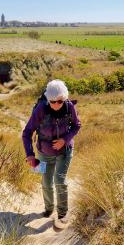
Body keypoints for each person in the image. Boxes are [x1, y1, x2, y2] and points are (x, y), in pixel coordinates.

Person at [22, 79, 81, 225]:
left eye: (59, 101)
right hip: (43, 152)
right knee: (46, 182)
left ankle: (62, 214)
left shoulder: (69, 107)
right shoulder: (40, 109)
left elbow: (77, 125)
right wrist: (30, 154)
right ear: (48, 99)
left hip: (65, 151)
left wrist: (65, 139)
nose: (56, 104)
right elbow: (27, 132)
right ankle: (48, 209)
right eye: (52, 101)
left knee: (59, 181)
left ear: (64, 98)